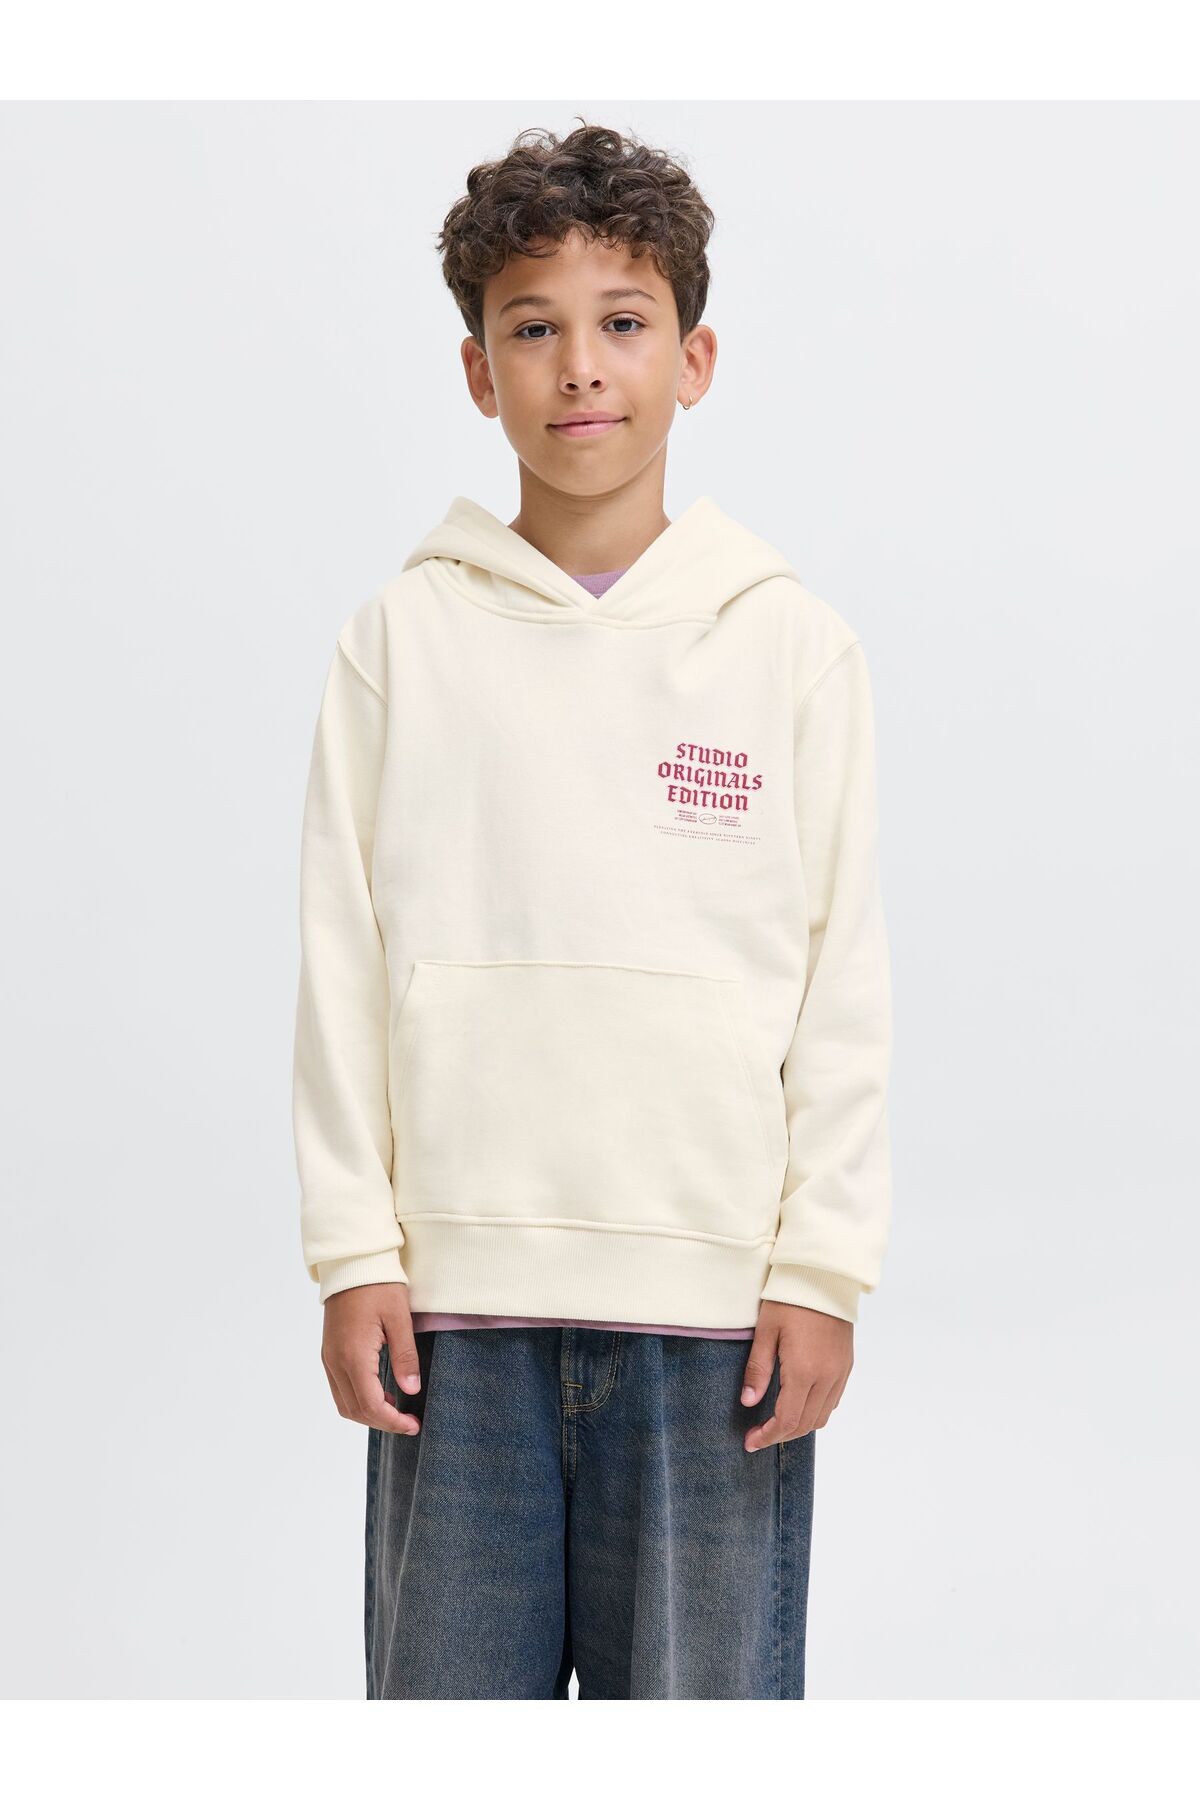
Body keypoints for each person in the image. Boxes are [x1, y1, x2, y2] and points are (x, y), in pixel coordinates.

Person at [291, 120, 893, 1701]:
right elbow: (341, 959)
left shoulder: (792, 650)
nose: (580, 369)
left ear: (694, 359)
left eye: (622, 323)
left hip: (715, 1325)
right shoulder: (399, 643)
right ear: (477, 373)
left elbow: (841, 981)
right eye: (532, 329)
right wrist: (352, 1249)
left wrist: (820, 1270)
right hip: (453, 1322)